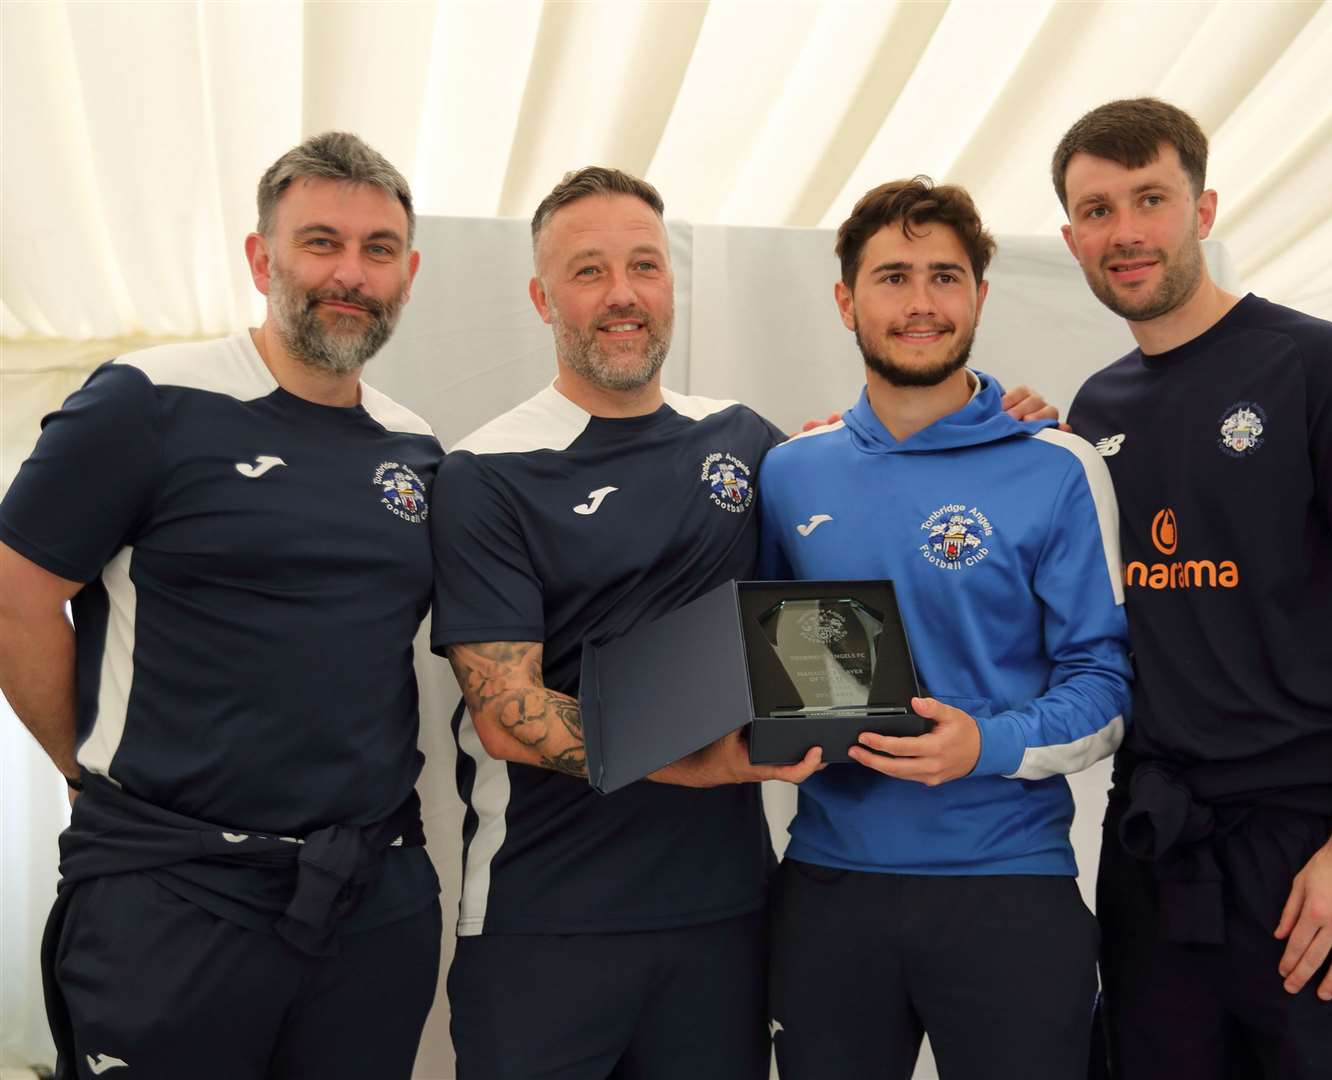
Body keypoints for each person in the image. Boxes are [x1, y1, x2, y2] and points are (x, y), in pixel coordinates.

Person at [428, 166, 1058, 1080]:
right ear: (540, 295)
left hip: (728, 919)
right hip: (547, 918)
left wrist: (995, 421)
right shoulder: (487, 470)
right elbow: (504, 713)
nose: (622, 296)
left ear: (670, 284)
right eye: (588, 270)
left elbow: (870, 468)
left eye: (644, 266)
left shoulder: (747, 442)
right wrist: (710, 767)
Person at [0, 132, 442, 1080]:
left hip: (369, 897)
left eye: (376, 251)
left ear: (407, 273)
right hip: (170, 896)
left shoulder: (417, 448)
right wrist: (83, 772)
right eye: (320, 242)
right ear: (261, 257)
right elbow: (14, 600)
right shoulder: (148, 400)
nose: (350, 274)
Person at [1053, 97, 1332, 1079]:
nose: (1125, 232)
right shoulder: (1094, 407)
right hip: (1158, 845)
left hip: (1312, 842)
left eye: (1148, 198)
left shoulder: (1319, 367)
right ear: (1070, 238)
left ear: (1201, 210)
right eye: (1097, 210)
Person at [754, 177, 1131, 1080]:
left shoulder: (1058, 467)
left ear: (979, 297)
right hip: (829, 886)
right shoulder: (791, 471)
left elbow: (1108, 688)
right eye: (891, 277)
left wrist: (986, 744)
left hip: (1010, 885)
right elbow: (762, 661)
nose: (920, 303)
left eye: (945, 277)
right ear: (846, 299)